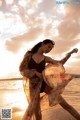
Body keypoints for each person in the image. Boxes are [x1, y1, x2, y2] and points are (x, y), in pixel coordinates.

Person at [19, 39, 80, 120]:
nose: (49, 50)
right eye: (48, 47)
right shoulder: (29, 55)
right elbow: (22, 69)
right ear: (43, 44)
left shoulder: (46, 58)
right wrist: (35, 73)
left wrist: (70, 53)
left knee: (64, 103)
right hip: (33, 86)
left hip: (44, 84)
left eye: (50, 49)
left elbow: (60, 63)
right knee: (36, 111)